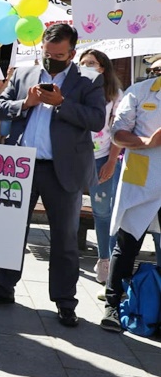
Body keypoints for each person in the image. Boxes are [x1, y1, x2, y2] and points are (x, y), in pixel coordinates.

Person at [0, 24, 105, 328]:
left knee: (64, 238)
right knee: (11, 232)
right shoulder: (23, 74)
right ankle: (4, 288)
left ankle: (64, 301)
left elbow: (96, 119)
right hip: (22, 166)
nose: (52, 60)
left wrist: (62, 104)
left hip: (63, 170)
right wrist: (26, 103)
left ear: (72, 53)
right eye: (47, 54)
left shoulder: (90, 80)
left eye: (59, 55)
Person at [99, 59, 161, 331]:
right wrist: (146, 142)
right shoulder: (140, 91)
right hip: (141, 180)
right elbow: (117, 133)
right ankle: (113, 305)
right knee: (127, 245)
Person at [78, 49, 123, 285]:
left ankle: (105, 260)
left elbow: (119, 130)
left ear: (103, 68)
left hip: (102, 158)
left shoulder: (115, 94)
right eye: (83, 63)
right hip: (74, 157)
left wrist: (112, 161)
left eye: (92, 63)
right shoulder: (74, 89)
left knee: (102, 212)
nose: (86, 66)